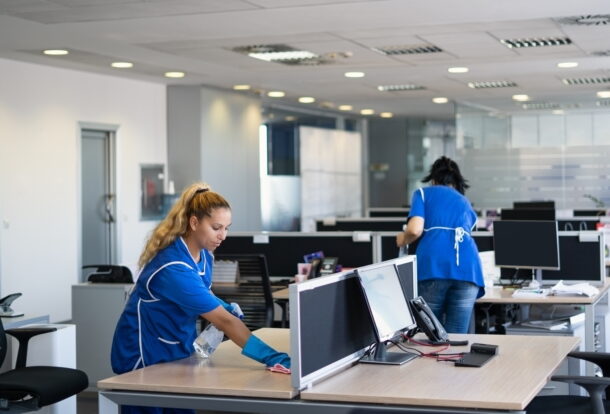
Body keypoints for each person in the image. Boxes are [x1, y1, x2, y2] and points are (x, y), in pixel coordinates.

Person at [111, 183, 290, 414]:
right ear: (194, 223)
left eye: (226, 228)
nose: (223, 236)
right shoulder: (173, 267)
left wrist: (222, 305)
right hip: (145, 355)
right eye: (216, 227)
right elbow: (225, 322)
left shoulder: (204, 255)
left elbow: (201, 293)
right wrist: (274, 358)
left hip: (176, 349)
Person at [396, 156, 484, 334]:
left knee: (428, 334)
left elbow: (414, 230)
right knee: (456, 336)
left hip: (434, 266)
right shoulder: (463, 201)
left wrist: (401, 239)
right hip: (469, 270)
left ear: (433, 179)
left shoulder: (422, 194)